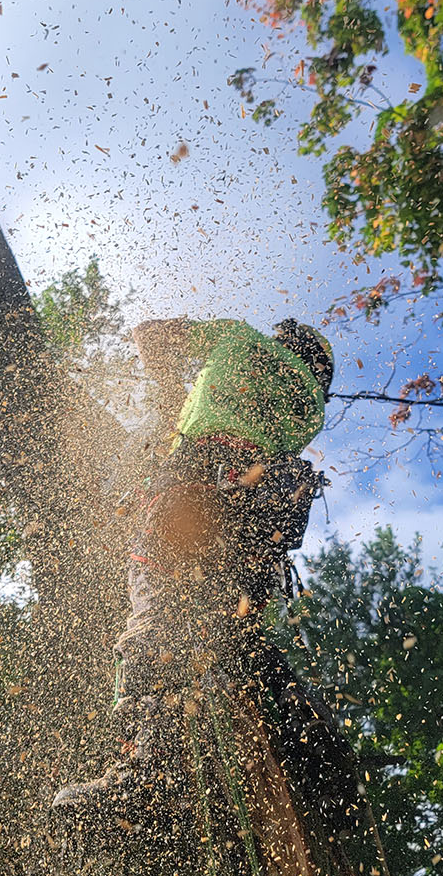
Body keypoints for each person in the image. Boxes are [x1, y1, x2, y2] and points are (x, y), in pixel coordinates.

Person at [52, 316, 359, 823]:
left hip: (191, 490)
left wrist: (172, 390)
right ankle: (325, 767)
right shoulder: (309, 409)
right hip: (261, 515)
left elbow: (150, 334)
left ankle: (141, 775)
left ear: (278, 339)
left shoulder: (239, 339)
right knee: (237, 638)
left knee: (155, 616)